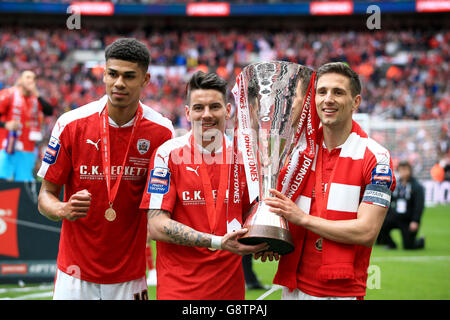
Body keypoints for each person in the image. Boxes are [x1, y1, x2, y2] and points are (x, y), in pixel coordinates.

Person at [36, 38, 174, 300]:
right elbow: (45, 196)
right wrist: (63, 209)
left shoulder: (162, 131)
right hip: (73, 273)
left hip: (129, 276)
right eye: (112, 74)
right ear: (104, 73)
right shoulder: (71, 124)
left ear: (145, 80)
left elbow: (163, 203)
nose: (118, 83)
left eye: (129, 76)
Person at [263, 62, 396, 300]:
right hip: (292, 285)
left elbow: (367, 231)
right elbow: (279, 206)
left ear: (356, 102)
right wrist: (269, 236)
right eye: (322, 92)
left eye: (338, 92)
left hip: (339, 291)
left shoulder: (375, 157)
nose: (328, 99)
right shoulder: (298, 152)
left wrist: (301, 219)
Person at [140, 71, 268, 300]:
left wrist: (267, 241)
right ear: (188, 113)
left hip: (230, 294)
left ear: (228, 111)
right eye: (199, 108)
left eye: (214, 107)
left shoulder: (245, 158)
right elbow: (156, 226)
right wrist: (217, 242)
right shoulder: (167, 154)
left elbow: (254, 216)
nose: (206, 114)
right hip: (178, 293)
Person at [0, 70, 54, 182]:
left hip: (27, 150)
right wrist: (6, 125)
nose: (31, 81)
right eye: (28, 77)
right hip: (6, 147)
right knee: (3, 181)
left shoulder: (35, 99)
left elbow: (49, 111)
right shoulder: (8, 94)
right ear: (20, 80)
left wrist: (37, 94)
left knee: (24, 185)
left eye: (33, 78)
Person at [378, 161, 425, 249]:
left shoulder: (416, 186)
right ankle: (391, 245)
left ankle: (420, 242)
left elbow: (419, 205)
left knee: (408, 246)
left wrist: (415, 220)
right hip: (396, 216)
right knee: (380, 225)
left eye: (405, 170)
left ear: (410, 171)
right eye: (401, 170)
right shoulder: (396, 184)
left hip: (408, 219)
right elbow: (389, 199)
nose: (403, 172)